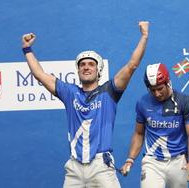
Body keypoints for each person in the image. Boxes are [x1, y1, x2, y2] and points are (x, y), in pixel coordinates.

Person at [21, 21, 149, 188]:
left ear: (98, 70)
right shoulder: (69, 93)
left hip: (101, 166)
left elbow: (132, 65)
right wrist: (26, 49)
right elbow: (39, 74)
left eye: (91, 64)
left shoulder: (109, 91)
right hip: (74, 168)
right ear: (78, 70)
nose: (86, 67)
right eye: (82, 64)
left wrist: (144, 36)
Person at [120, 63, 189, 188]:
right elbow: (139, 133)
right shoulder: (142, 103)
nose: (156, 94)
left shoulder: (184, 101)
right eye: (152, 90)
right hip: (152, 162)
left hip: (178, 162)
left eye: (160, 88)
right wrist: (130, 159)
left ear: (168, 82)